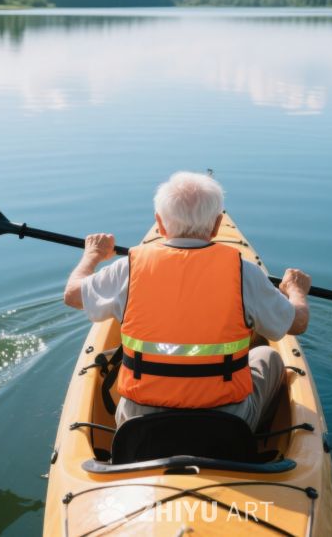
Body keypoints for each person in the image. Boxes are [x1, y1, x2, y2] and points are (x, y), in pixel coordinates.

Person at [64, 171, 311, 431]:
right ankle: (257, 441)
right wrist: (296, 291)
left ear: (160, 224)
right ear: (217, 226)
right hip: (228, 420)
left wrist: (92, 255)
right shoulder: (244, 272)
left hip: (138, 419)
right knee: (268, 356)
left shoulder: (127, 268)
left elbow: (72, 295)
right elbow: (297, 324)